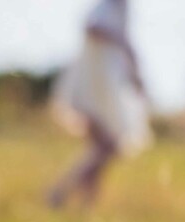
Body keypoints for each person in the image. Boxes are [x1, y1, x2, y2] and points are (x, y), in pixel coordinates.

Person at [48, 0, 151, 208]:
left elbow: (121, 47)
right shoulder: (106, 7)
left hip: (106, 88)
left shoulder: (121, 9)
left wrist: (133, 72)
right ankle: (60, 192)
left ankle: (86, 204)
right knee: (106, 147)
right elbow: (92, 28)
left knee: (100, 148)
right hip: (93, 88)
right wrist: (120, 41)